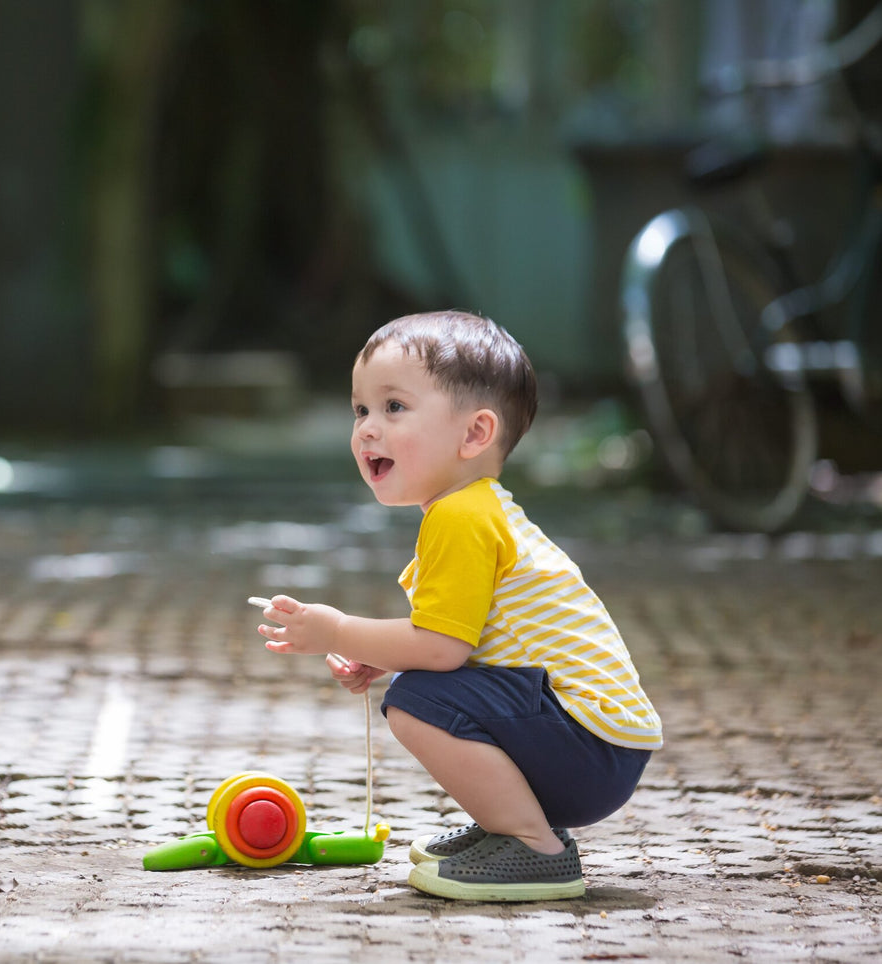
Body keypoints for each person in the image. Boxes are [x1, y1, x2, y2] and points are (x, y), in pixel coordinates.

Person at [255, 310, 661, 902]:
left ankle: (533, 846)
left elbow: (442, 650)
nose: (368, 428)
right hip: (599, 744)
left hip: (590, 748)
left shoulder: (461, 517)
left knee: (416, 701)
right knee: (424, 689)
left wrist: (338, 630)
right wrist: (383, 655)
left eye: (394, 407)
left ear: (474, 434)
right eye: (360, 409)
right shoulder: (475, 508)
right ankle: (513, 824)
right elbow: (467, 641)